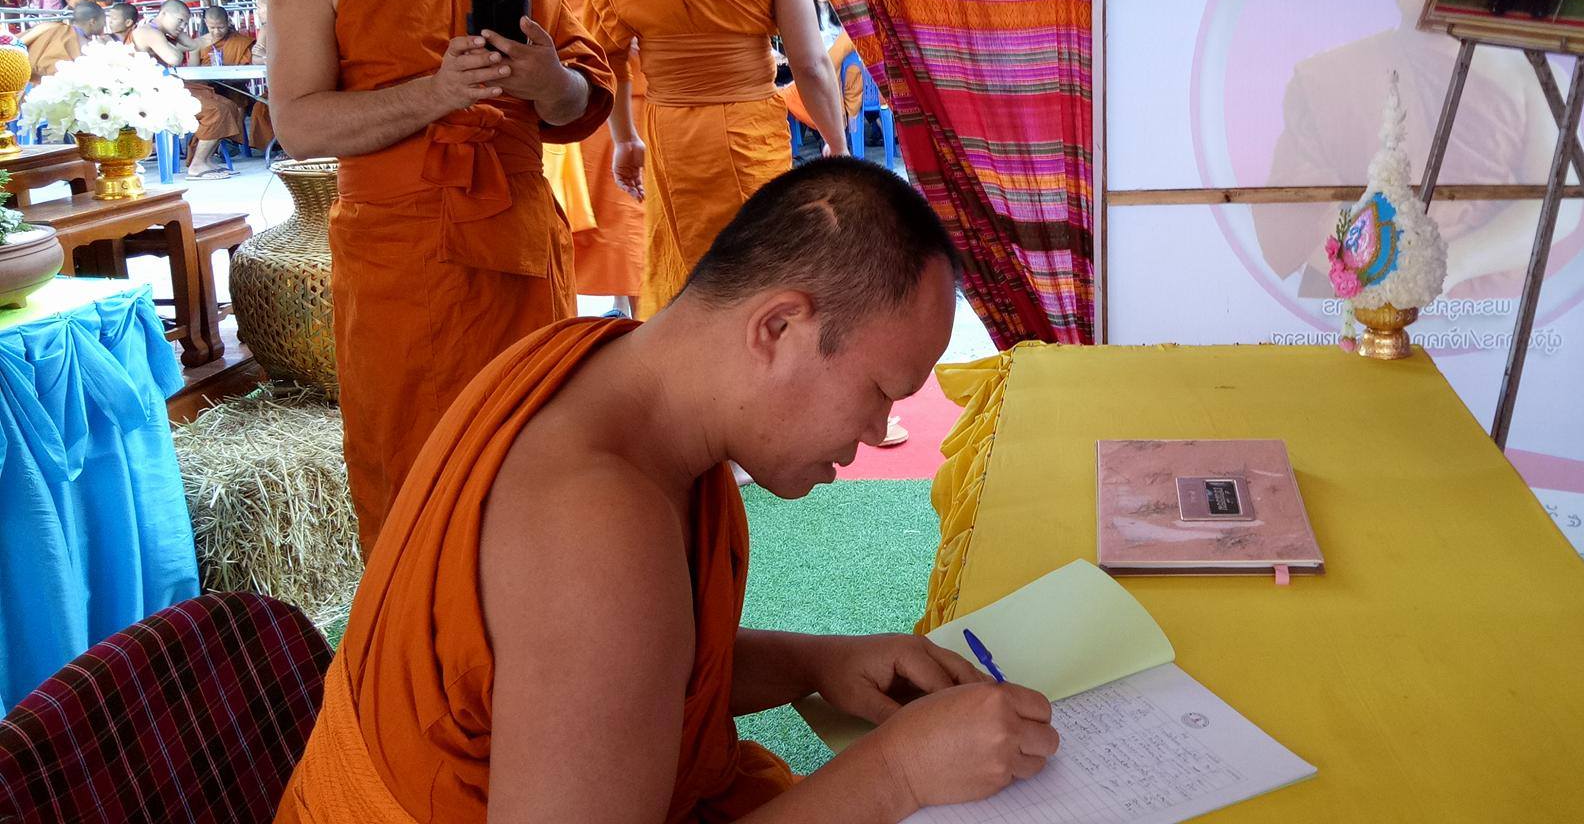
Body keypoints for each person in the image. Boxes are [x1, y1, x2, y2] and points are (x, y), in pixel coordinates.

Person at [276, 158, 1058, 824]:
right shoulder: (594, 529)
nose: (879, 429)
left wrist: (816, 662)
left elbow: (618, 676)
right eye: (880, 391)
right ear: (777, 327)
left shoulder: (591, 365)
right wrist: (898, 775)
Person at [265, 0, 614, 556]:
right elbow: (301, 125)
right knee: (409, 466)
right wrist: (439, 92)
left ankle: (540, 611)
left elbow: (582, 104)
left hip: (517, 251)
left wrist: (548, 81)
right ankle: (416, 622)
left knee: (533, 446)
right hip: (396, 263)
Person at [582, 0, 849, 308]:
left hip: (667, 131)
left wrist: (625, 139)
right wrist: (837, 144)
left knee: (681, 268)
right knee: (750, 273)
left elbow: (608, 54)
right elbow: (811, 65)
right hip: (743, 133)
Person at [543, 0, 646, 316]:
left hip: (636, 88)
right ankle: (588, 319)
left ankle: (638, 315)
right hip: (586, 93)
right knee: (598, 214)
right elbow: (540, 20)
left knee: (634, 212)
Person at [179, 6, 262, 179]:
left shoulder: (241, 42)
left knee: (234, 103)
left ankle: (225, 145)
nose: (217, 32)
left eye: (221, 27)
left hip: (233, 86)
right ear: (205, 23)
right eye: (212, 27)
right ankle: (202, 159)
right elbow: (193, 72)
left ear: (228, 22)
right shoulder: (197, 43)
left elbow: (248, 69)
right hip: (205, 87)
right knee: (220, 108)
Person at [20, 2, 103, 82]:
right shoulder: (70, 37)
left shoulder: (52, 27)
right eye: (103, 22)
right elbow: (51, 68)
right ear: (93, 22)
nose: (104, 26)